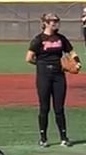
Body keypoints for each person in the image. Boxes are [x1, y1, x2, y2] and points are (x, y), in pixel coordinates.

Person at [26, 13, 79, 147]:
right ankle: (43, 138)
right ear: (45, 23)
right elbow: (29, 58)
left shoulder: (61, 38)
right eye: (52, 21)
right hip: (44, 76)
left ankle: (64, 138)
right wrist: (41, 65)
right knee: (44, 108)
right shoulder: (38, 39)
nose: (55, 23)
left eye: (56, 21)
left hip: (58, 76)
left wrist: (77, 62)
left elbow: (72, 52)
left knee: (59, 108)